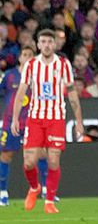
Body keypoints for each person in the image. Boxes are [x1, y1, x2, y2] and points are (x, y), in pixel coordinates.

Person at [11, 30, 84, 213]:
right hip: (35, 118)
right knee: (29, 162)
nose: (46, 45)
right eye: (43, 42)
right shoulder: (30, 65)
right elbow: (21, 93)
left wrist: (79, 121)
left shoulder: (63, 64)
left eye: (50, 42)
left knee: (53, 160)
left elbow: (72, 93)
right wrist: (14, 119)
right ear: (38, 44)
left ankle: (49, 201)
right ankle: (35, 187)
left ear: (55, 44)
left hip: (56, 118)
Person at [0, 45, 35, 206]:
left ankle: (42, 191)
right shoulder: (9, 76)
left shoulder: (37, 75)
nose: (27, 57)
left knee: (38, 155)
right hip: (10, 123)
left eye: (30, 55)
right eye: (25, 55)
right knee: (6, 155)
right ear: (20, 58)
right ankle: (2, 192)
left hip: (31, 121)